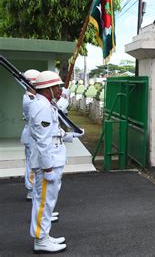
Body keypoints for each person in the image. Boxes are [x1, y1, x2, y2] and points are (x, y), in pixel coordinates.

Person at [29, 71, 83, 253]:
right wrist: (48, 168)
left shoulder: (45, 104)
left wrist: (70, 136)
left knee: (47, 201)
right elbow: (43, 142)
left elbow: (52, 133)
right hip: (48, 162)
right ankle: (40, 240)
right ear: (48, 89)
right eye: (57, 87)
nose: (60, 90)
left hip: (52, 158)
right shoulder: (42, 107)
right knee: (44, 202)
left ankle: (44, 235)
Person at [21, 69, 40, 201]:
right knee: (32, 164)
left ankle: (33, 189)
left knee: (34, 163)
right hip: (32, 135)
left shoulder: (33, 97)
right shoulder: (30, 99)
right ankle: (31, 189)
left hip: (33, 135)